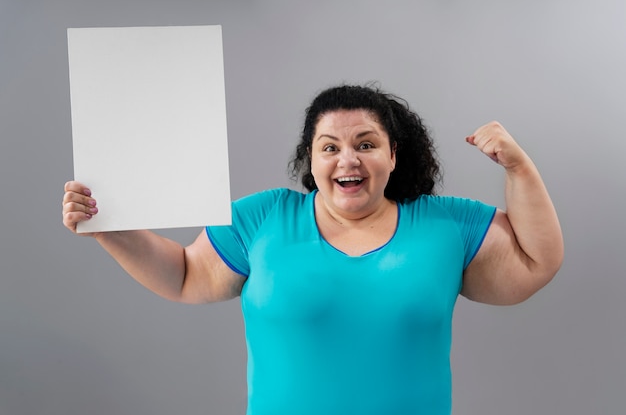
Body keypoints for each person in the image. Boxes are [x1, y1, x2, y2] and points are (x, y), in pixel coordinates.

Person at [62, 84, 564, 415]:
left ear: (392, 154)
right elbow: (186, 276)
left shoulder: (445, 223)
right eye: (330, 147)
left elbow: (534, 262)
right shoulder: (262, 218)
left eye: (366, 143)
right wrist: (108, 227)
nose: (348, 158)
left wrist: (519, 169)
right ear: (312, 159)